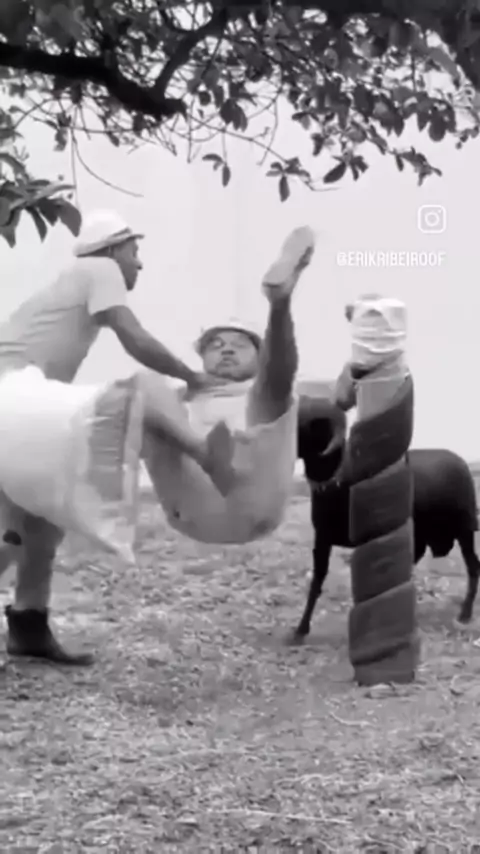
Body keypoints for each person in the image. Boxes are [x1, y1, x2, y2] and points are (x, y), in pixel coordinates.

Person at [0, 209, 234, 666]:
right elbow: (135, 338)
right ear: (111, 249)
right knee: (143, 388)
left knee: (39, 523)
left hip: (17, 402)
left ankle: (29, 626)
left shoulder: (73, 282)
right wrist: (192, 377)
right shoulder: (99, 268)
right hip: (11, 396)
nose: (139, 263)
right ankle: (211, 461)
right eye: (134, 251)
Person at [141, 225, 316, 545]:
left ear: (260, 356)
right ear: (202, 357)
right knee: (143, 388)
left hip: (254, 500)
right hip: (193, 505)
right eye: (216, 345)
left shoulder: (262, 391)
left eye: (239, 344)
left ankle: (279, 303)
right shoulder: (173, 400)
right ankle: (205, 453)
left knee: (271, 396)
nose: (226, 350)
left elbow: (278, 375)